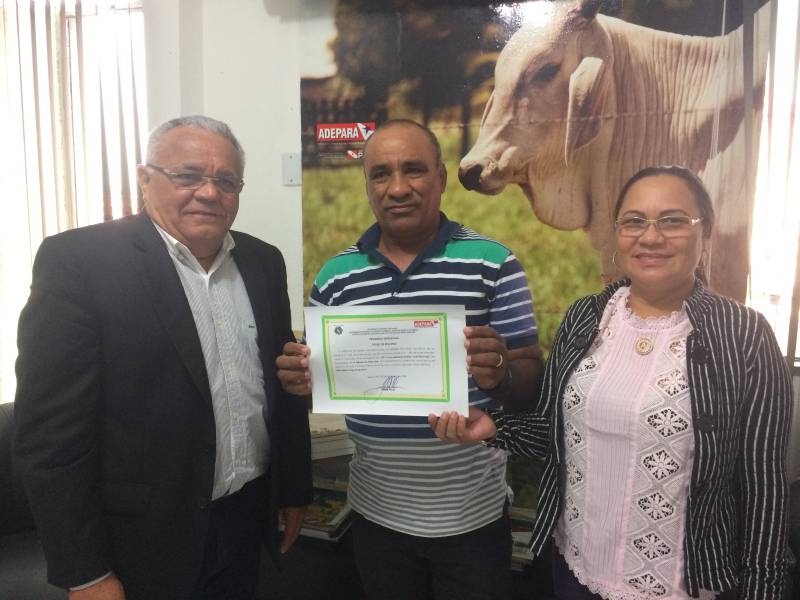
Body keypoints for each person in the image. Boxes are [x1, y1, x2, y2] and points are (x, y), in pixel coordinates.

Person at [431, 165, 792, 599]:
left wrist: (764, 590)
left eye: (673, 220)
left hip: (682, 584)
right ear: (616, 233)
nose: (651, 236)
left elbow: (764, 485)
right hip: (576, 571)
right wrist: (492, 428)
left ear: (707, 232)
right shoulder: (585, 317)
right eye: (634, 221)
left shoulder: (744, 335)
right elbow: (557, 434)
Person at [14, 115, 313, 600]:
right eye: (188, 175)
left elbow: (281, 383)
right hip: (140, 541)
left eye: (226, 180)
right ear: (145, 178)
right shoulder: (80, 262)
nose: (209, 192)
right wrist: (85, 572)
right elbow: (50, 437)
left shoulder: (263, 261)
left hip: (247, 517)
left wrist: (294, 489)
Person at [277, 119, 544, 600]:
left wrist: (502, 369)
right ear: (366, 185)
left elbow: (530, 380)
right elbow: (321, 381)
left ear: (440, 178)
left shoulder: (493, 263)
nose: (397, 188)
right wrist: (300, 379)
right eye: (380, 174)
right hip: (377, 519)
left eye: (413, 170)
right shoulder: (338, 275)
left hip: (473, 520)